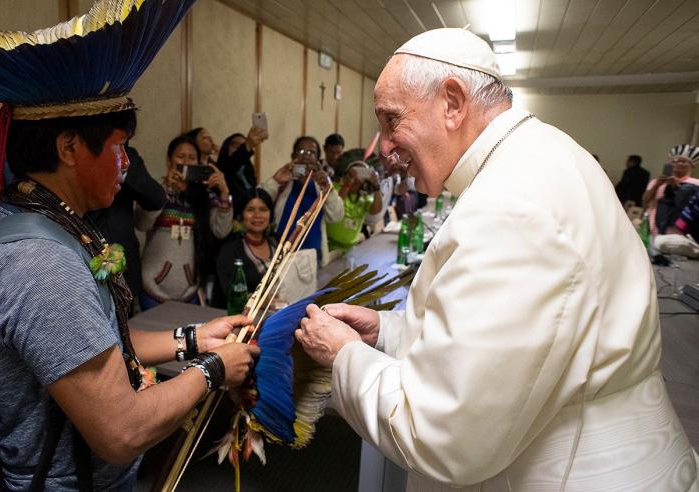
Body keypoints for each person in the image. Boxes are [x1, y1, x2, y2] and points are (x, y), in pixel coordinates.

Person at [295, 28, 697, 490]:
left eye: (391, 120)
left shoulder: (511, 206)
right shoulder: (540, 154)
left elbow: (444, 436)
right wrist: (387, 331)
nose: (383, 146)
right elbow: (501, 347)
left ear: (452, 102)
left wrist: (344, 356)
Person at [0, 3, 259, 490]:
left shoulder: (51, 228)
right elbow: (122, 431)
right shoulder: (39, 263)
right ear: (70, 148)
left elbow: (96, 346)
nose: (125, 165)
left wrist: (193, 340)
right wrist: (215, 368)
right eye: (119, 147)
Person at [136, 136, 232, 309]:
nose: (186, 162)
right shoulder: (156, 190)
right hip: (153, 289)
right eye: (181, 156)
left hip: (190, 291)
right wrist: (165, 189)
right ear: (169, 160)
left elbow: (221, 230)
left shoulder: (204, 196)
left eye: (192, 158)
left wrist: (224, 191)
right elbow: (142, 223)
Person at [88, 144, 166, 309]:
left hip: (119, 262)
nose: (124, 161)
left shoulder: (124, 158)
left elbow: (155, 198)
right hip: (94, 256)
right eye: (118, 144)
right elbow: (156, 198)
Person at [261, 136, 345, 265]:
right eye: (300, 152)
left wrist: (329, 190)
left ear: (317, 159)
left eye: (311, 152)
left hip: (313, 257)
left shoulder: (320, 185)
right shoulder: (283, 183)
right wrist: (275, 181)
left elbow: (337, 217)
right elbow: (258, 201)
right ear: (293, 156)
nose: (306, 156)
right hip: (281, 255)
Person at [214, 188, 276, 305]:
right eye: (250, 210)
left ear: (270, 214)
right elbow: (230, 293)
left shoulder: (279, 244)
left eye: (263, 209)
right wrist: (260, 302)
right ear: (242, 215)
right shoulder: (229, 251)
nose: (257, 215)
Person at [326, 161, 383, 252]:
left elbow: (376, 210)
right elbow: (335, 205)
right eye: (355, 171)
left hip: (352, 248)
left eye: (363, 172)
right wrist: (348, 184)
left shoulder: (365, 197)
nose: (358, 175)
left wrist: (376, 186)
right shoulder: (335, 188)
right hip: (331, 247)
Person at [642, 145, 699, 235]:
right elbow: (645, 201)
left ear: (692, 165)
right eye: (675, 160)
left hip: (678, 232)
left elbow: (692, 209)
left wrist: (677, 188)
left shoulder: (695, 184)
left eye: (683, 161)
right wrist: (657, 185)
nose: (678, 163)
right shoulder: (657, 182)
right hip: (651, 227)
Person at [217, 126, 268, 208]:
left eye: (242, 146)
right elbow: (231, 166)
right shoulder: (221, 169)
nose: (239, 148)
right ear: (226, 147)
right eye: (236, 145)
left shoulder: (248, 171)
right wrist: (247, 145)